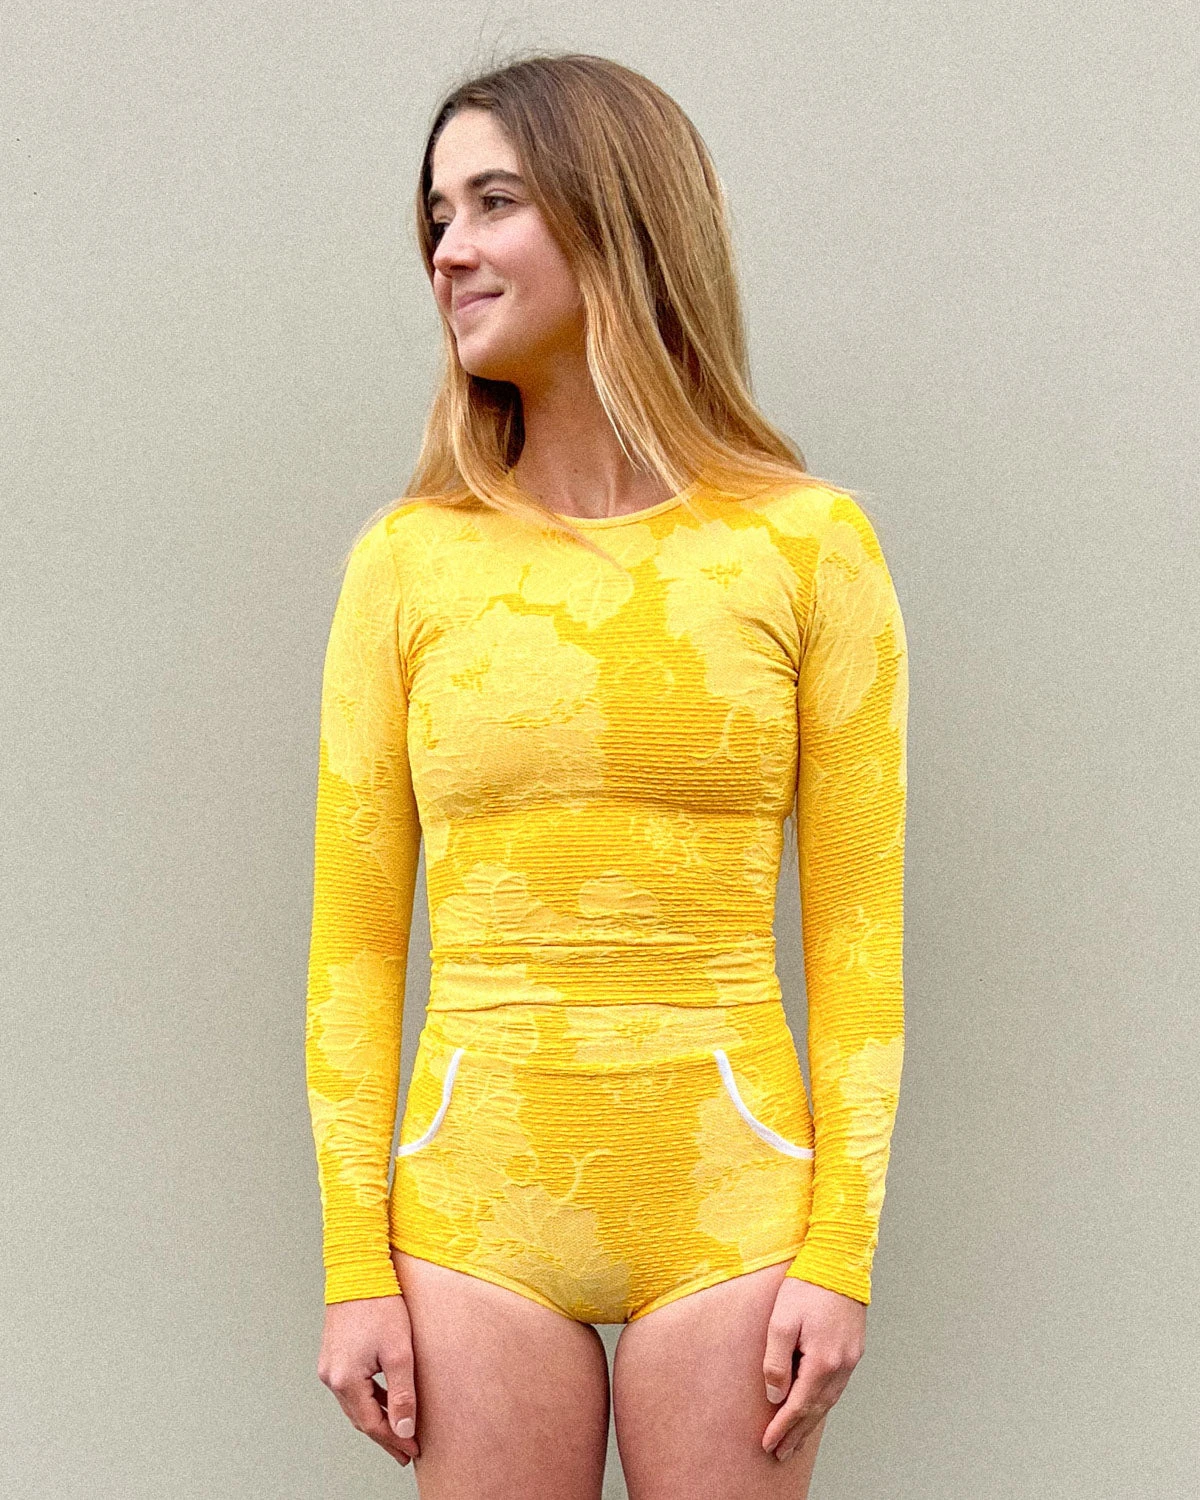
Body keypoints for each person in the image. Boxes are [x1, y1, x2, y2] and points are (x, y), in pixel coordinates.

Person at [304, 51, 909, 1499]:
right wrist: (352, 1267)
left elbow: (858, 934)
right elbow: (354, 944)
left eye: (492, 202)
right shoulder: (406, 563)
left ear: (618, 217)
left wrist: (841, 1253)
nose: (447, 250)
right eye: (435, 217)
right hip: (473, 1210)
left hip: (734, 1204)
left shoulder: (807, 547)